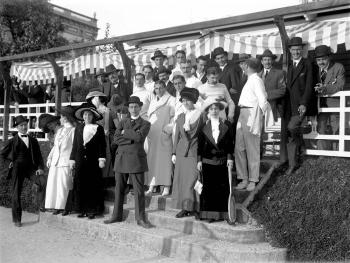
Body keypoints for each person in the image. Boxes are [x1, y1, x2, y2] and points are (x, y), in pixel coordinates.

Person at [104, 96, 152, 229]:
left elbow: (140, 137)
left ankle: (140, 218)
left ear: (140, 107)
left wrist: (126, 133)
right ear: (128, 108)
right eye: (131, 107)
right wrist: (131, 137)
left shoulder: (146, 123)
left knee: (139, 190)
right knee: (119, 188)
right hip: (122, 158)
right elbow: (116, 139)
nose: (134, 109)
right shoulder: (122, 122)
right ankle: (116, 215)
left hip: (136, 159)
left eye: (136, 106)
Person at [0, 115, 44, 227]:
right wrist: (9, 162)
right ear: (17, 127)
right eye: (21, 125)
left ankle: (42, 212)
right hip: (17, 168)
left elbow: (39, 156)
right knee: (16, 193)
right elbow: (3, 154)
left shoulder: (33, 140)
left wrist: (40, 168)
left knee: (42, 182)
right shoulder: (12, 141)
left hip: (30, 168)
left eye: (25, 125)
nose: (24, 127)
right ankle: (17, 219)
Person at [197, 98, 234, 223]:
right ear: (208, 111)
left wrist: (229, 158)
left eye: (216, 108)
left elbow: (230, 144)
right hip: (207, 162)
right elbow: (200, 146)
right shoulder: (203, 127)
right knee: (209, 189)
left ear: (219, 110)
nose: (214, 111)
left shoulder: (226, 125)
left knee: (223, 189)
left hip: (223, 162)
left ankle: (224, 214)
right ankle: (210, 214)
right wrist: (199, 161)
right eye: (211, 109)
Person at [235, 58, 269, 191]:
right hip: (243, 113)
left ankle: (253, 179)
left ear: (248, 66)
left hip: (252, 113)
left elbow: (263, 100)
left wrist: (259, 118)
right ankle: (243, 178)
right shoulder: (249, 79)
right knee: (239, 147)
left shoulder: (257, 80)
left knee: (252, 148)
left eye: (244, 64)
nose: (242, 66)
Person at [284, 37, 316, 175]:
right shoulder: (289, 67)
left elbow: (309, 85)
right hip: (289, 106)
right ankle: (292, 164)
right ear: (290, 50)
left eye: (298, 49)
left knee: (292, 128)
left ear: (302, 50)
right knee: (289, 134)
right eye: (294, 49)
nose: (296, 52)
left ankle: (301, 148)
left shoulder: (308, 63)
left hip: (301, 104)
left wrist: (304, 103)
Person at [69, 103, 106, 219]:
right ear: (82, 116)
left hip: (93, 161)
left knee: (92, 185)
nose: (87, 117)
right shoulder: (78, 128)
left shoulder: (98, 128)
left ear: (93, 116)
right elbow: (75, 145)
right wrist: (72, 159)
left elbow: (102, 145)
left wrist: (101, 158)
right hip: (80, 160)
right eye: (85, 114)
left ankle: (92, 210)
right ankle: (82, 209)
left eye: (89, 115)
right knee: (81, 184)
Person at [172, 88, 203, 218]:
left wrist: (201, 156)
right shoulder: (180, 117)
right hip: (180, 153)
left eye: (188, 100)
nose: (185, 103)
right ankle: (185, 207)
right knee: (182, 181)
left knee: (194, 179)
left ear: (193, 101)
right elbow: (176, 135)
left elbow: (201, 136)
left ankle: (196, 207)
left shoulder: (200, 115)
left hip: (194, 151)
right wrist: (173, 153)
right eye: (183, 100)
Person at [146, 80, 175, 196]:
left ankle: (166, 185)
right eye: (156, 88)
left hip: (164, 133)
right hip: (153, 133)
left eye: (161, 88)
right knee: (152, 159)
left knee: (165, 160)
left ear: (165, 88)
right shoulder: (153, 101)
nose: (159, 90)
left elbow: (174, 117)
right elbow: (149, 117)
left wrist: (169, 129)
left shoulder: (171, 99)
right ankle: (152, 184)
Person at [44, 107, 76, 215]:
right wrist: (49, 157)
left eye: (62, 116)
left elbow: (74, 147)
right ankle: (56, 206)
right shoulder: (60, 130)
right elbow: (55, 146)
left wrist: (72, 160)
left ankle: (64, 207)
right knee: (55, 184)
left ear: (66, 118)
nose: (60, 119)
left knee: (63, 185)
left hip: (65, 162)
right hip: (55, 162)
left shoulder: (73, 130)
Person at [313, 45, 345, 150]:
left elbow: (340, 85)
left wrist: (325, 88)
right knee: (320, 128)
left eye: (323, 59)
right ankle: (322, 156)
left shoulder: (338, 67)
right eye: (318, 60)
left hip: (334, 104)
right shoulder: (313, 69)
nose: (321, 62)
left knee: (336, 128)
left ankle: (336, 156)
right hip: (319, 105)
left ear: (329, 57)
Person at [258, 49, 286, 161]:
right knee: (259, 132)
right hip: (259, 108)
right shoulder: (257, 75)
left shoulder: (279, 73)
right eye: (265, 59)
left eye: (269, 59)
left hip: (274, 107)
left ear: (272, 61)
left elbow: (282, 90)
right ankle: (259, 155)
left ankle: (277, 157)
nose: (267, 62)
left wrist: (265, 95)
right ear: (261, 61)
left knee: (275, 131)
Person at [86, 91, 116, 179]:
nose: (92, 101)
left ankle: (105, 177)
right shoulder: (93, 111)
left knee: (105, 155)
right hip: (93, 137)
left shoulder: (108, 111)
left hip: (105, 137)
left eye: (93, 99)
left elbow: (112, 127)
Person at [213, 47, 242, 130]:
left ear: (226, 56)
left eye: (222, 57)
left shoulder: (232, 68)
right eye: (218, 58)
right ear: (215, 60)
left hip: (230, 103)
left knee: (231, 127)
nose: (220, 60)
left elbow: (235, 88)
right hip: (218, 103)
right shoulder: (215, 70)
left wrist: (227, 90)